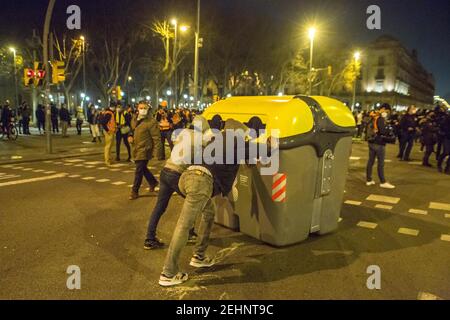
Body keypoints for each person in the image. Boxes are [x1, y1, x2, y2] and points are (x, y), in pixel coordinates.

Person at [159, 119, 269, 287]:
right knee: (184, 225)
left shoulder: (215, 140)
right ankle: (168, 272)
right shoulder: (236, 143)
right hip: (200, 183)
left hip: (187, 177)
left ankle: (199, 256)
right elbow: (263, 150)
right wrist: (270, 143)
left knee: (209, 212)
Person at [143, 116, 214, 250]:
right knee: (193, 202)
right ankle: (189, 233)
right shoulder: (200, 139)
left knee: (160, 207)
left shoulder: (183, 132)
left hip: (166, 170)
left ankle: (149, 238)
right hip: (177, 174)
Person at [128, 101, 161, 199]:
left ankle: (135, 191)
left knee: (139, 170)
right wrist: (130, 135)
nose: (142, 110)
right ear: (137, 109)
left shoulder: (151, 121)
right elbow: (132, 129)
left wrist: (157, 153)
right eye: (140, 108)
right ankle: (153, 182)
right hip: (135, 148)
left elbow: (156, 138)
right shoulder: (134, 118)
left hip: (145, 149)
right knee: (142, 168)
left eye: (144, 108)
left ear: (148, 109)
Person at [365, 103, 396, 189]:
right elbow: (382, 131)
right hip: (379, 143)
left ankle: (369, 180)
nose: (387, 113)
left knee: (370, 161)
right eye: (387, 111)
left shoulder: (373, 116)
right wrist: (388, 129)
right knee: (381, 163)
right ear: (383, 109)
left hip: (371, 141)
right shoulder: (380, 118)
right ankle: (383, 181)